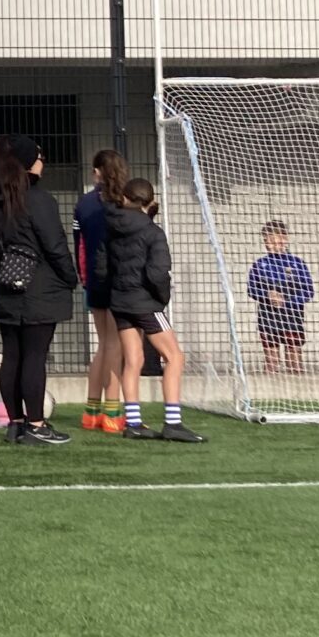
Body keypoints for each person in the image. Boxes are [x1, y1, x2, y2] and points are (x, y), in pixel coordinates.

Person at [0, 137, 78, 447]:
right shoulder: (38, 199)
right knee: (34, 355)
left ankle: (16, 424)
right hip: (39, 287)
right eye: (40, 156)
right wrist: (70, 277)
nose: (43, 161)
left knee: (12, 355)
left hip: (4, 285)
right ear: (29, 162)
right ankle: (36, 424)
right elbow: (55, 245)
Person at [101, 177, 204, 442]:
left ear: (125, 198)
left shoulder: (110, 226)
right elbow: (158, 273)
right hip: (145, 302)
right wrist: (161, 299)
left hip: (119, 300)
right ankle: (173, 423)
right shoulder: (153, 232)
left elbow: (102, 266)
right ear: (149, 201)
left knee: (133, 360)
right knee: (175, 357)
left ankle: (134, 423)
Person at [74, 148, 130, 434]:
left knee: (103, 344)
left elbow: (79, 245)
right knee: (115, 345)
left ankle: (91, 411)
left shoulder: (83, 203)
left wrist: (84, 278)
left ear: (97, 171)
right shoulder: (125, 201)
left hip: (93, 281)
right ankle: (112, 413)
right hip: (120, 281)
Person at [247, 219, 314, 376]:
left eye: (273, 240)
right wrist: (267, 295)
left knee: (294, 356)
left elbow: (308, 292)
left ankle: (297, 383)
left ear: (284, 239)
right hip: (268, 317)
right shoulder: (259, 265)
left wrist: (287, 300)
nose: (269, 245)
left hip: (292, 317)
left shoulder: (297, 264)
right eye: (267, 241)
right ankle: (270, 384)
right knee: (271, 359)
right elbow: (251, 289)